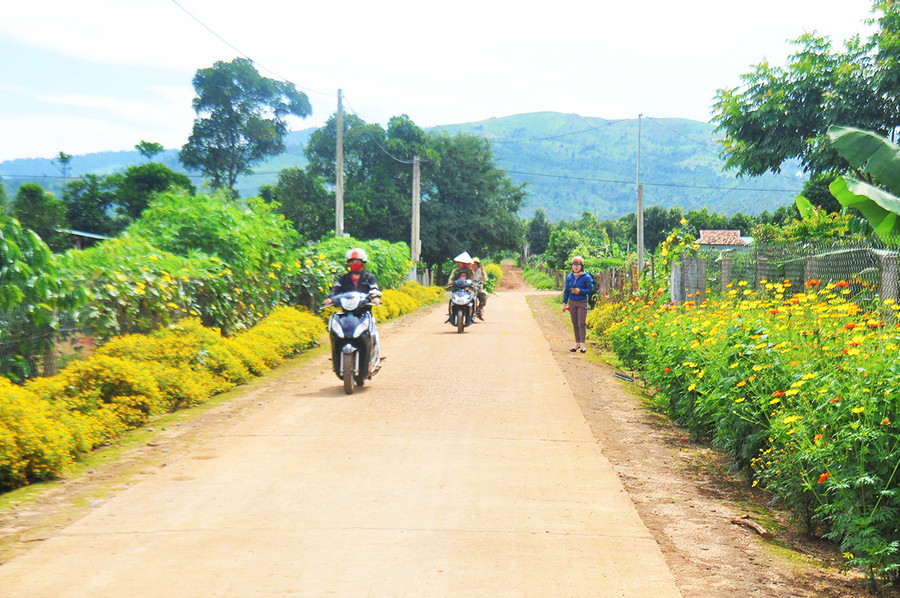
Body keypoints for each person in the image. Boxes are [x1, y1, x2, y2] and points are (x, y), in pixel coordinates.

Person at [561, 255, 593, 353]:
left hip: (582, 301)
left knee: (581, 323)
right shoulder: (570, 277)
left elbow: (590, 289)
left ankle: (583, 344)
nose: (575, 267)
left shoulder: (586, 277)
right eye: (574, 265)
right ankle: (577, 343)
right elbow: (566, 291)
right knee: (575, 323)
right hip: (572, 302)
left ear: (581, 266)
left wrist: (580, 291)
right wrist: (564, 303)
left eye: (578, 265)